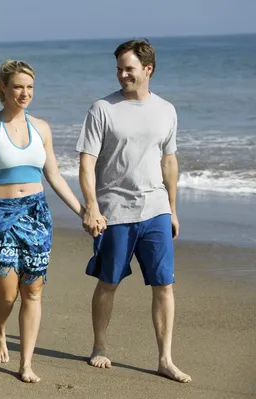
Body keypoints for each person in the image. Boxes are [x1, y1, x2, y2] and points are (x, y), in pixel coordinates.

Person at [0, 60, 88, 383]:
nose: (25, 93)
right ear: (4, 89)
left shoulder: (42, 128)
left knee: (33, 291)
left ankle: (26, 363)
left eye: (30, 87)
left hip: (37, 214)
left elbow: (53, 175)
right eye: (18, 87)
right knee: (8, 293)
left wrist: (83, 210)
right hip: (1, 214)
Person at [76, 39, 191, 383]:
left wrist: (172, 208)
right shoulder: (102, 109)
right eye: (119, 69)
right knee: (108, 283)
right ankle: (99, 346)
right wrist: (92, 207)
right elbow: (86, 162)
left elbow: (169, 160)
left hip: (155, 209)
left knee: (164, 285)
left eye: (129, 68)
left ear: (148, 69)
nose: (123, 74)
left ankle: (165, 359)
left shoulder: (166, 110)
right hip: (115, 211)